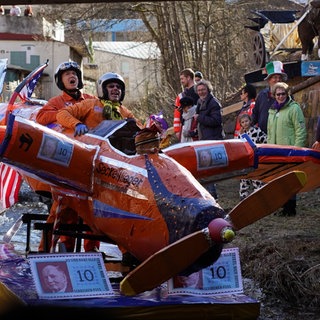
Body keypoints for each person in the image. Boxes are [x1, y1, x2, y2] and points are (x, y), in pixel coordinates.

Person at [35, 61, 98, 253]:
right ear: (60, 81)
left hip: (91, 163)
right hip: (67, 163)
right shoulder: (56, 103)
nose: (72, 77)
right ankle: (45, 251)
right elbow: (41, 118)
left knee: (93, 212)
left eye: (74, 74)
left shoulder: (91, 99)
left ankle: (91, 251)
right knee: (62, 210)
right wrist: (66, 116)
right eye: (67, 74)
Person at [56, 71, 142, 135]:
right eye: (111, 86)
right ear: (102, 89)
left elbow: (141, 129)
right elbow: (62, 114)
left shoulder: (125, 112)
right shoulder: (90, 104)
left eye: (118, 87)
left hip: (114, 152)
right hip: (91, 146)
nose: (115, 89)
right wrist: (76, 124)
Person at [267, 82, 307, 216]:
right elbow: (269, 131)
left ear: (287, 94)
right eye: (278, 94)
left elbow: (300, 130)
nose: (280, 96)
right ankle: (281, 206)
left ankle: (290, 208)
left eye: (283, 94)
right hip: (275, 151)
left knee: (290, 180)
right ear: (274, 96)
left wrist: (297, 150)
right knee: (278, 179)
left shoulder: (294, 109)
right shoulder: (272, 110)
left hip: (290, 151)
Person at [194, 79, 224, 198]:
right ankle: (210, 195)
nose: (201, 92)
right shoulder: (199, 102)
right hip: (204, 139)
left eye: (203, 89)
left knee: (209, 170)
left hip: (213, 140)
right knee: (206, 170)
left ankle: (213, 196)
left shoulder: (213, 103)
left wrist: (200, 118)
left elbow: (217, 121)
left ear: (208, 89)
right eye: (199, 90)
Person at [252, 61, 288, 135]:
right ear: (269, 80)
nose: (278, 80)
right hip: (263, 136)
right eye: (275, 77)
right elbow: (255, 114)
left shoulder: (287, 96)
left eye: (280, 78)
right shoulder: (262, 95)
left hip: (281, 136)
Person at [237, 113, 267, 200]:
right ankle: (243, 197)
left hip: (255, 159)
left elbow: (265, 140)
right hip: (245, 161)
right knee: (244, 180)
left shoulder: (257, 131)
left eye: (246, 121)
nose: (245, 123)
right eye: (243, 122)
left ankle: (258, 197)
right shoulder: (241, 134)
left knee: (256, 179)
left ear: (250, 121)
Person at [174, 68, 199, 141]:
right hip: (185, 127)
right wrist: (177, 130)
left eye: (182, 79)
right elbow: (177, 114)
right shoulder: (181, 95)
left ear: (188, 78)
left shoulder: (201, 91)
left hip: (198, 126)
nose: (181, 81)